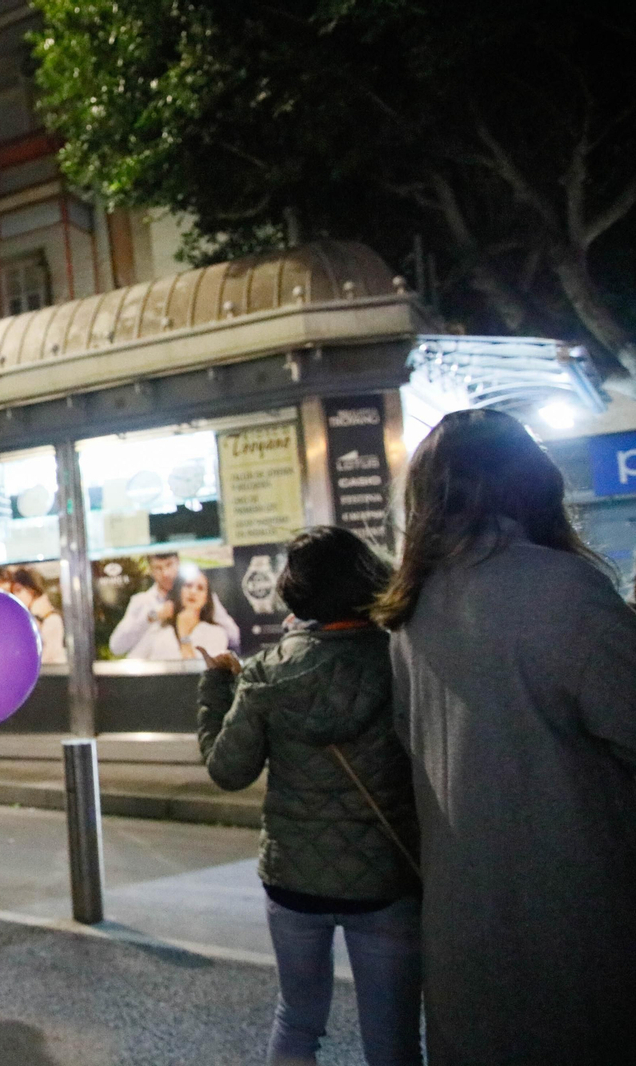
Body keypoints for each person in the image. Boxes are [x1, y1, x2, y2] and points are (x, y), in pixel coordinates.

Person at [372, 409, 636, 1065]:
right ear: (533, 483)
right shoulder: (567, 589)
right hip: (578, 921)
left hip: (463, 929)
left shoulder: (410, 614)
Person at [198, 527, 420, 1066]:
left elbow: (228, 771)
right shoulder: (401, 660)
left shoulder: (269, 672)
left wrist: (215, 688)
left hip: (294, 881)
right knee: (392, 1041)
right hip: (382, 881)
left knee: (297, 1022)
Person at [109, 551, 240, 657]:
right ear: (150, 570)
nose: (165, 574)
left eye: (169, 565)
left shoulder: (200, 595)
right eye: (158, 568)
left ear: (178, 563)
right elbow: (116, 647)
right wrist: (151, 617)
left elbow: (233, 635)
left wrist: (199, 617)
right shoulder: (142, 601)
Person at [121, 565, 230, 661]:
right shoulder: (159, 630)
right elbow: (132, 662)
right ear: (179, 591)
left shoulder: (217, 634)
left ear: (206, 598)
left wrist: (184, 635)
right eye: (188, 585)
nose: (193, 592)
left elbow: (201, 675)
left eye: (200, 588)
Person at [8, 567, 66, 665]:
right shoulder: (26, 617)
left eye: (19, 591)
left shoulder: (51, 619)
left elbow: (47, 656)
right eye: (13, 592)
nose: (16, 596)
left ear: (31, 590)